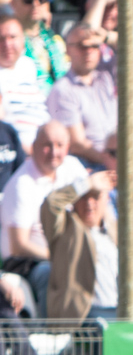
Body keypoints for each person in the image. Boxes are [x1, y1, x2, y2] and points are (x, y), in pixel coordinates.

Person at [41, 170, 133, 320]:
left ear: (106, 199)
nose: (89, 204)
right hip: (83, 318)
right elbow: (52, 203)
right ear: (75, 200)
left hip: (121, 313)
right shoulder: (64, 229)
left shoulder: (121, 231)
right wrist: (89, 183)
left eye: (96, 197)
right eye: (84, 197)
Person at [0, 121, 86, 307]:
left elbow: (91, 206)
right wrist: (58, 256)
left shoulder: (73, 168)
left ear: (68, 148)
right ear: (33, 147)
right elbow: (18, 245)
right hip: (26, 262)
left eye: (59, 145)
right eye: (47, 145)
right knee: (52, 272)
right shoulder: (22, 184)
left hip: (66, 253)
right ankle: (52, 332)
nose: (54, 152)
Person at [48, 23, 118, 169]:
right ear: (67, 50)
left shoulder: (106, 78)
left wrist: (107, 37)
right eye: (82, 46)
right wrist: (115, 163)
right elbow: (78, 145)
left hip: (116, 158)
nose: (89, 51)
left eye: (94, 46)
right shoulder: (63, 89)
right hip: (89, 166)